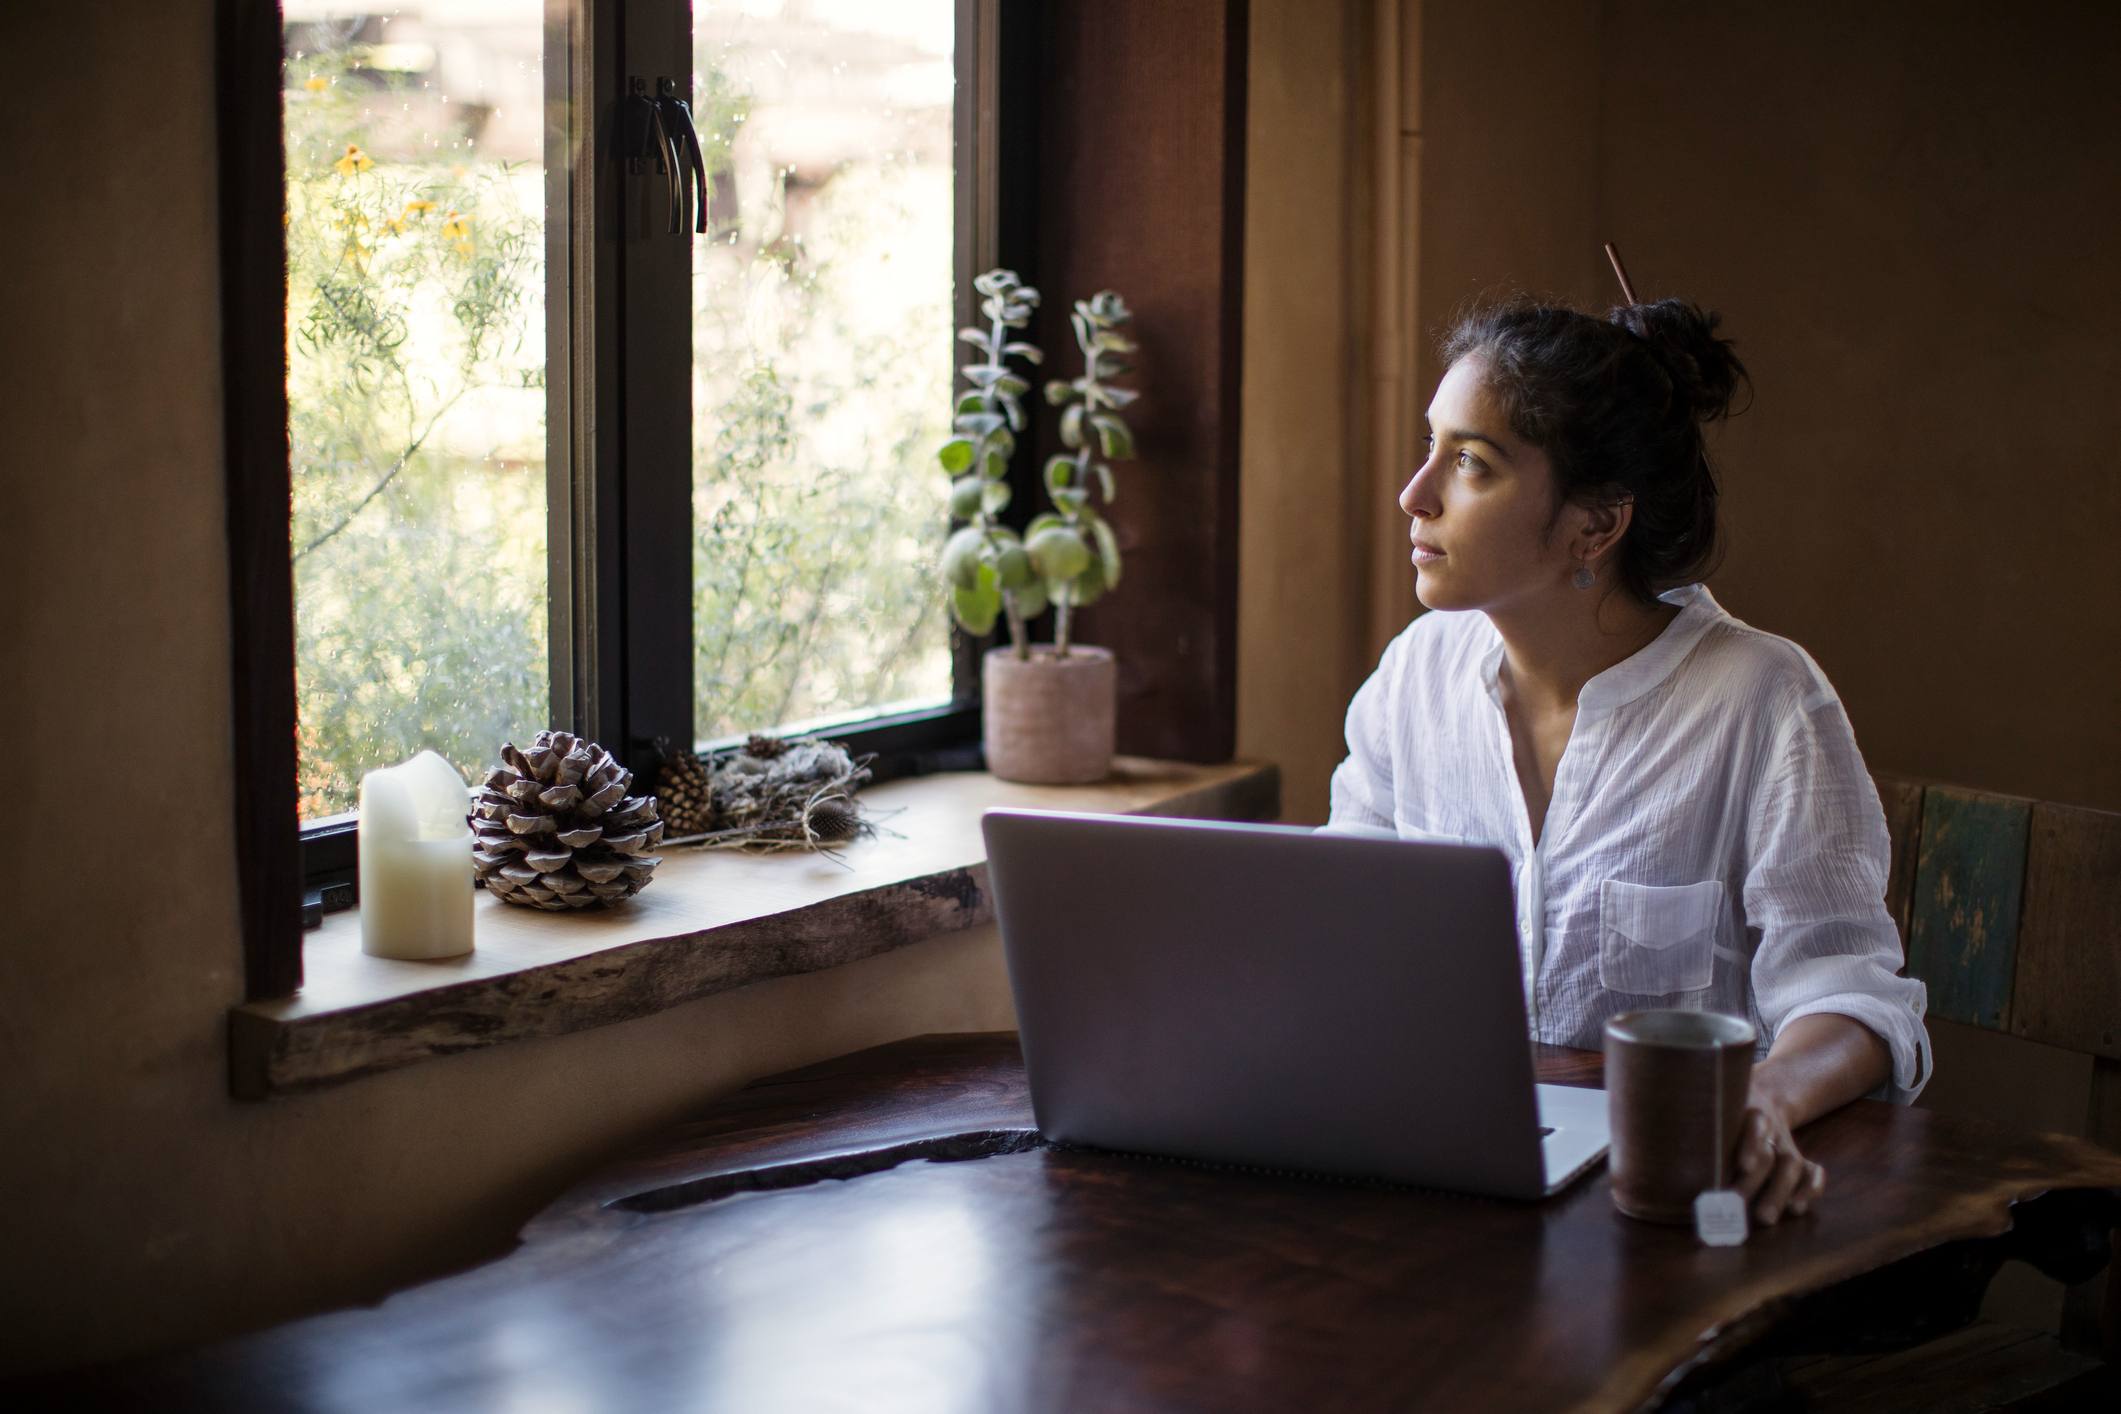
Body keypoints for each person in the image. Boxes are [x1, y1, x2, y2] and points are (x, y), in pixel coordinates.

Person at [1327, 297, 1930, 1226]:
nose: (1414, 495)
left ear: (1594, 527)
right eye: (1429, 444)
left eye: (1469, 464)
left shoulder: (1761, 702)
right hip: (1440, 1181)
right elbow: (1341, 918)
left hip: (1665, 1208)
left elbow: (1849, 999)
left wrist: (1760, 1099)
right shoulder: (1416, 675)